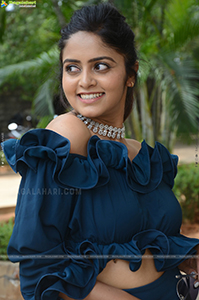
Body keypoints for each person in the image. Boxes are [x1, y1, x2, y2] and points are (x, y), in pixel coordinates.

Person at [2, 3, 199, 300]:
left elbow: (142, 244)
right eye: (72, 68)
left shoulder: (141, 155)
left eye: (101, 66)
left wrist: (187, 258)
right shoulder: (64, 138)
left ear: (130, 73)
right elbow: (38, 268)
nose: (85, 81)